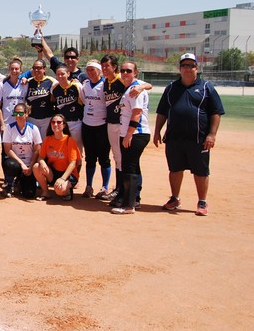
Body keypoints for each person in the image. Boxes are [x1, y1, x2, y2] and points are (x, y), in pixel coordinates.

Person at [153, 53, 224, 216]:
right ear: (179, 68)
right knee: (175, 169)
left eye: (191, 65)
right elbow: (162, 112)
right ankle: (175, 199)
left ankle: (202, 202)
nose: (187, 68)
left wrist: (212, 134)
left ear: (196, 68)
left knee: (201, 171)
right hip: (174, 138)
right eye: (184, 65)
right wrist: (157, 131)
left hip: (199, 139)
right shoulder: (171, 88)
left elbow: (216, 112)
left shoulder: (206, 87)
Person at [111, 61, 150, 215]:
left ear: (135, 73)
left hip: (135, 133)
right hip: (131, 133)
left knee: (129, 168)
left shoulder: (135, 89)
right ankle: (132, 201)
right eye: (123, 71)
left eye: (128, 71)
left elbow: (137, 113)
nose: (125, 73)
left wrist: (128, 134)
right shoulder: (132, 87)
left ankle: (129, 205)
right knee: (131, 167)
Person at [80, 60, 112, 199]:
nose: (90, 72)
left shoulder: (105, 85)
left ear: (99, 71)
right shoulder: (85, 85)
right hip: (87, 125)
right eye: (88, 70)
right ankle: (89, 186)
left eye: (93, 69)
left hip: (102, 126)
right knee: (90, 158)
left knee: (104, 158)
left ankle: (105, 187)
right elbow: (84, 100)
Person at [33, 114, 81, 201]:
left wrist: (63, 178)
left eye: (59, 122)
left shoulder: (69, 140)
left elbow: (73, 163)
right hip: (54, 172)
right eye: (53, 122)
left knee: (60, 191)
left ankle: (67, 190)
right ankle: (45, 192)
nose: (55, 124)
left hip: (68, 174)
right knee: (36, 167)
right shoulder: (47, 139)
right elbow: (40, 157)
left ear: (64, 125)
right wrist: (42, 162)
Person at [1, 102, 42, 199]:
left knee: (29, 194)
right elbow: (8, 150)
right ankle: (10, 184)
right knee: (10, 164)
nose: (18, 116)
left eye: (21, 113)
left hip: (29, 165)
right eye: (15, 113)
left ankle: (20, 182)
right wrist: (21, 164)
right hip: (16, 163)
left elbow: (37, 150)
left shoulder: (33, 128)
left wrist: (31, 166)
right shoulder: (9, 128)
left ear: (26, 113)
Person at [52, 64, 84, 151]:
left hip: (76, 122)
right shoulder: (54, 88)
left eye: (62, 74)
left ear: (68, 74)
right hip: (62, 123)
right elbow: (52, 100)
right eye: (58, 74)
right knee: (63, 148)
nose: (60, 76)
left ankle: (78, 164)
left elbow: (84, 102)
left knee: (76, 148)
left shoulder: (77, 86)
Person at [0, 58, 28, 137]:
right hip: (7, 122)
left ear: (21, 71)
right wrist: (2, 124)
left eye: (16, 69)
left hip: (21, 121)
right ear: (9, 70)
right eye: (12, 69)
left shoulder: (25, 84)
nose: (14, 71)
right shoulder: (1, 85)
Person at [25, 58, 56, 134]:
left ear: (44, 69)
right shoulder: (28, 82)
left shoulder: (51, 81)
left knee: (46, 142)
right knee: (33, 142)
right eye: (35, 68)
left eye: (39, 68)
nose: (36, 70)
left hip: (47, 118)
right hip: (32, 118)